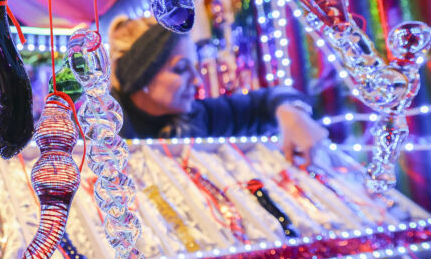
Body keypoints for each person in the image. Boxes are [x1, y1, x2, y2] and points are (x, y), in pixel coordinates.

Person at [109, 17, 328, 166]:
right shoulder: (99, 130)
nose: (197, 81)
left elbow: (264, 102)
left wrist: (291, 112)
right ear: (140, 77)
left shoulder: (200, 116)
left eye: (195, 67)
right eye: (180, 69)